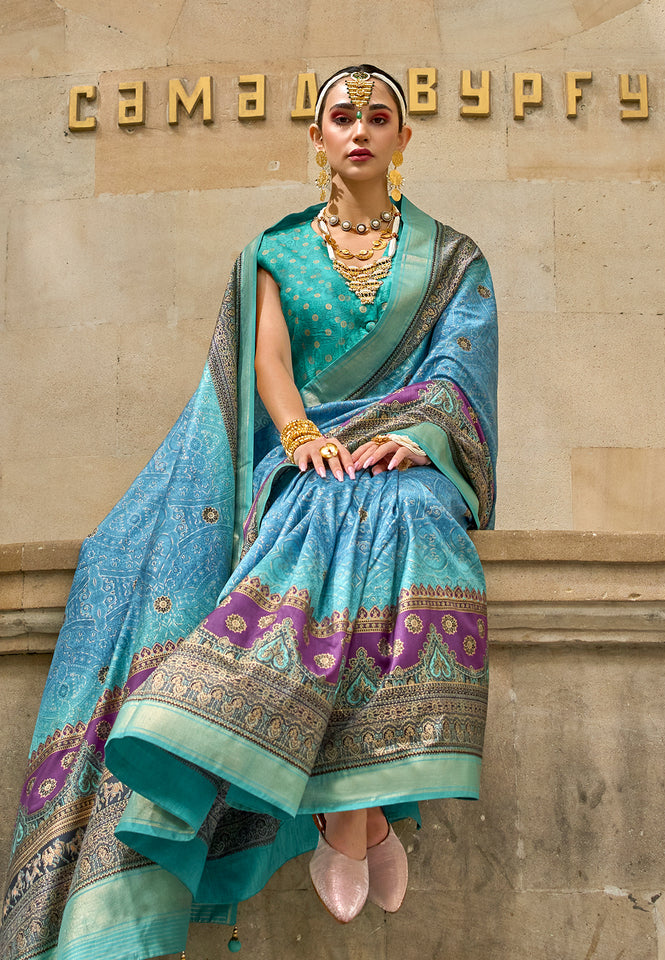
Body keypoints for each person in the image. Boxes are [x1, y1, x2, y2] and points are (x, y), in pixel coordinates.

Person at [0, 65, 497, 959]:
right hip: (305, 445)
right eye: (341, 117)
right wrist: (301, 433)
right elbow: (270, 365)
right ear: (316, 137)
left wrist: (421, 438)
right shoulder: (276, 249)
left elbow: (460, 369)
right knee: (318, 510)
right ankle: (361, 823)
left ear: (403, 139)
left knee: (417, 519)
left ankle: (359, 817)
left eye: (377, 118)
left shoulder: (455, 257)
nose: (359, 131)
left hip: (407, 448)